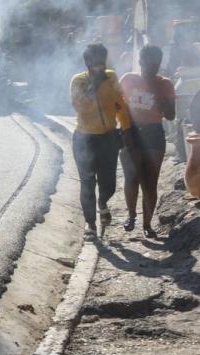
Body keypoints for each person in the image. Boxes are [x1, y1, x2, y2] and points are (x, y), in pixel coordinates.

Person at [70, 44, 133, 239]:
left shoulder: (112, 77)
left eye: (102, 61)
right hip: (84, 138)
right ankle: (90, 225)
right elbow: (80, 107)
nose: (100, 66)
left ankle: (103, 203)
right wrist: (95, 85)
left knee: (109, 183)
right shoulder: (78, 81)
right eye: (95, 62)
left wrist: (127, 128)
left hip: (108, 137)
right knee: (87, 182)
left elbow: (120, 104)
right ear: (87, 63)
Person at [120, 46, 176, 238]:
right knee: (131, 178)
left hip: (153, 134)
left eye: (155, 64)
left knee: (150, 183)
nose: (151, 67)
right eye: (147, 62)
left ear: (160, 63)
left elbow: (171, 115)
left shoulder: (165, 84)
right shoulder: (128, 79)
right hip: (131, 132)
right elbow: (116, 104)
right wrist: (123, 129)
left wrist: (164, 104)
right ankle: (131, 216)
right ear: (140, 61)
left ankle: (147, 224)